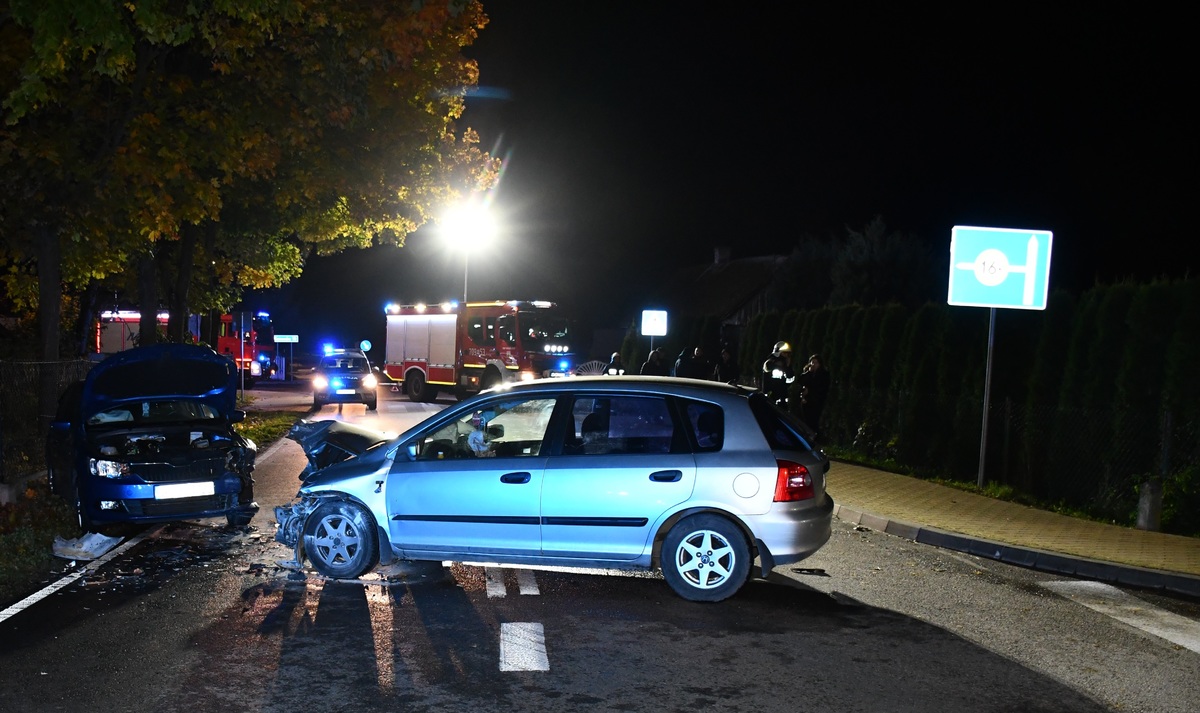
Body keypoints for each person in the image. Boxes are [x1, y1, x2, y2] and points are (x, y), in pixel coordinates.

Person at [799, 353, 831, 435]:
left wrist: (809, 391)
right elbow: (801, 381)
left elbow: (821, 387)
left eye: (816, 362)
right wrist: (808, 372)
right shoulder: (808, 373)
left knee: (814, 421)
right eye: (812, 362)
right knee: (806, 420)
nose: (813, 364)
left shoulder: (823, 374)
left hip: (816, 400)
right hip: (806, 400)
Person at [761, 341, 795, 408]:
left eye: (788, 354)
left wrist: (787, 367)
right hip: (771, 396)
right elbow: (767, 371)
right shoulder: (769, 363)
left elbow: (790, 378)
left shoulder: (787, 365)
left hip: (783, 398)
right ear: (778, 352)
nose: (787, 355)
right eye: (785, 353)